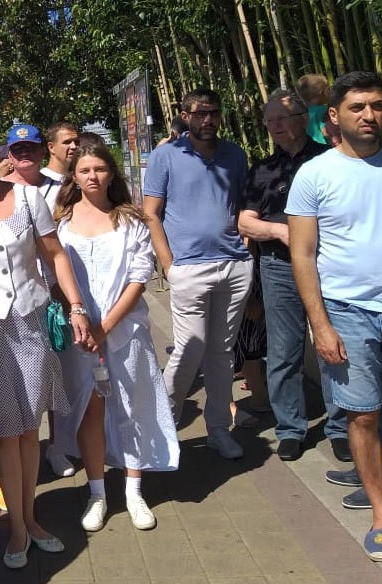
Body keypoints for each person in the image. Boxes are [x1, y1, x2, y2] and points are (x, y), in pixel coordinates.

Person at [0, 127, 90, 570]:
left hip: (31, 320)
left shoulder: (28, 199)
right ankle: (17, 528)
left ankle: (30, 519)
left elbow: (55, 255)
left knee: (30, 429)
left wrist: (76, 305)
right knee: (7, 432)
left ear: (0, 155)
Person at [287, 71, 382, 563]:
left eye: (376, 105)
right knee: (362, 415)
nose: (369, 115)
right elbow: (302, 255)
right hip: (347, 313)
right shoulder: (315, 174)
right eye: (357, 107)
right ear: (334, 116)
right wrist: (320, 325)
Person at [53, 144, 180, 533]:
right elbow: (52, 272)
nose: (92, 176)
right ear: (74, 176)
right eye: (84, 170)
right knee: (89, 410)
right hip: (78, 335)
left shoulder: (131, 220)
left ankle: (134, 490)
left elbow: (139, 278)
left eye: (99, 169)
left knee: (132, 406)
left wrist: (105, 326)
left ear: (111, 173)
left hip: (125, 331)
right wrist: (79, 318)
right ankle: (97, 492)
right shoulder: (60, 221)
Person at [143, 88, 254, 460]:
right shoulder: (165, 155)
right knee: (189, 349)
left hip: (234, 265)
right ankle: (162, 429)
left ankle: (218, 430)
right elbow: (150, 212)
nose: (208, 119)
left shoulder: (235, 155)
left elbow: (243, 206)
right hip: (188, 268)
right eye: (201, 113)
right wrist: (169, 265)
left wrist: (245, 250)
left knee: (222, 353)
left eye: (214, 112)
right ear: (184, 114)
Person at [237, 89, 343, 462]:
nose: (275, 126)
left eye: (281, 118)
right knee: (284, 350)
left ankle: (340, 427)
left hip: (327, 265)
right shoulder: (263, 169)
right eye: (269, 121)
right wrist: (282, 232)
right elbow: (245, 222)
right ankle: (291, 429)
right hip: (279, 266)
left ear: (302, 118)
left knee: (333, 346)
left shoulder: (331, 161)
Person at [2, 123, 77, 477]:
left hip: (60, 291)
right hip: (21, 300)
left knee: (59, 373)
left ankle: (59, 445)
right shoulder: (1, 191)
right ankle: (27, 449)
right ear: (9, 154)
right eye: (18, 150)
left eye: (31, 148)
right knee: (29, 379)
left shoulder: (61, 186)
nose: (25, 155)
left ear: (42, 150)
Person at [296, 73, 333, 146]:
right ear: (322, 93)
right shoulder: (324, 111)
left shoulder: (304, 114)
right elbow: (326, 132)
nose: (330, 92)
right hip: (324, 146)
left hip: (310, 147)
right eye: (328, 89)